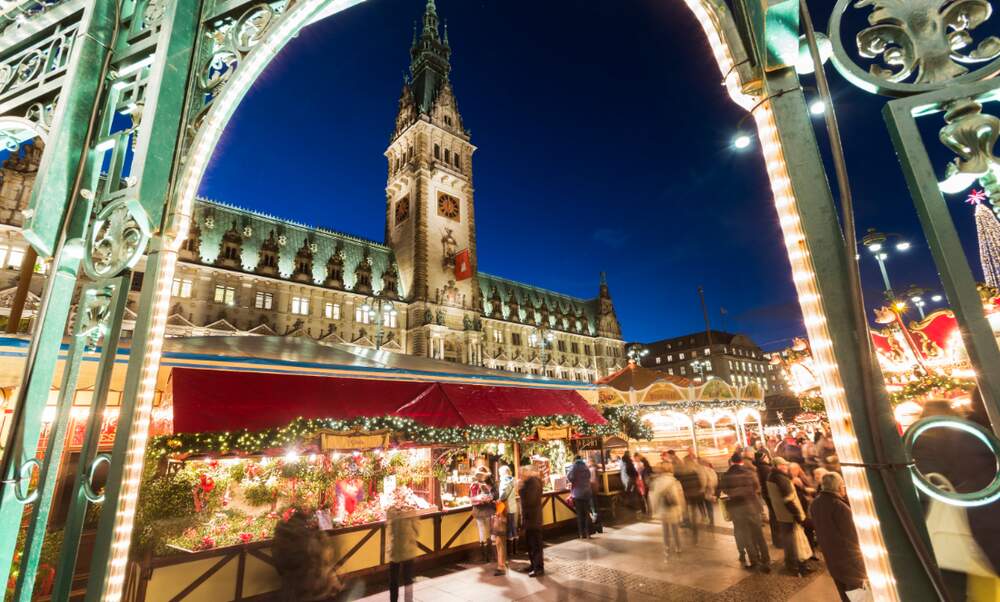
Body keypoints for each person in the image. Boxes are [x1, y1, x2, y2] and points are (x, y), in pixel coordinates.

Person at [810, 472, 867, 601]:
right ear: (839, 487)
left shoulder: (815, 503)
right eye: (843, 485)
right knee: (859, 597)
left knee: (844, 595)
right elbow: (853, 538)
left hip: (832, 560)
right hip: (850, 563)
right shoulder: (840, 507)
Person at [721, 452, 771, 573]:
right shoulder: (749, 472)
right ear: (741, 461)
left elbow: (724, 490)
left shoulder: (726, 475)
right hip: (752, 506)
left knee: (746, 535)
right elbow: (756, 487)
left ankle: (754, 561)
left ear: (732, 462)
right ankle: (766, 559)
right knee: (759, 535)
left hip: (738, 508)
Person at [766, 457, 812, 576]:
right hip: (788, 514)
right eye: (783, 465)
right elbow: (789, 500)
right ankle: (795, 566)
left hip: (781, 513)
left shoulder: (771, 476)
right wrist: (797, 515)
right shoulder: (781, 479)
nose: (785, 467)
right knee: (792, 541)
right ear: (776, 466)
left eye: (786, 465)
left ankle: (791, 564)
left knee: (788, 540)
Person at [648, 463, 685, 559]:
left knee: (665, 531)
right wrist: (682, 508)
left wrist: (654, 510)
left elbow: (653, 497)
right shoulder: (675, 482)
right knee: (675, 529)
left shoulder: (657, 482)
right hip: (673, 509)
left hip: (663, 509)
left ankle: (667, 548)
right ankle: (678, 547)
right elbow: (679, 497)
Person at [386, 503, 421, 602]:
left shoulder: (392, 514)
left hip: (394, 551)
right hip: (408, 551)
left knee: (393, 581)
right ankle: (408, 600)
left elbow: (389, 528)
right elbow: (417, 531)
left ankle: (393, 600)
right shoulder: (412, 514)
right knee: (408, 579)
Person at [519, 465, 545, 577]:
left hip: (533, 518)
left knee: (535, 544)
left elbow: (530, 500)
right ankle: (533, 564)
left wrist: (520, 489)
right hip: (531, 518)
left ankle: (538, 568)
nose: (521, 475)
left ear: (527, 473)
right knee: (530, 544)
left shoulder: (533, 483)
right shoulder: (530, 483)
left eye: (522, 473)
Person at [677, 453, 707, 542]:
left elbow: (680, 484)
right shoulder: (694, 472)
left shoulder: (682, 474)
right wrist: (702, 488)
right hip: (696, 494)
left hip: (687, 495)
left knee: (688, 511)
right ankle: (695, 530)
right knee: (694, 512)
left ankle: (691, 525)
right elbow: (700, 482)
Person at [754, 451, 781, 547]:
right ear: (762, 458)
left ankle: (777, 540)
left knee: (773, 516)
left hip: (767, 494)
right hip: (770, 495)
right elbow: (769, 483)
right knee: (775, 517)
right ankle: (778, 541)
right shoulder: (765, 468)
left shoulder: (760, 467)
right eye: (766, 456)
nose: (768, 458)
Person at [470, 466, 497, 563]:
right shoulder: (489, 484)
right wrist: (486, 499)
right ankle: (492, 556)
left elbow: (471, 498)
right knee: (491, 532)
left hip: (478, 510)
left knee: (482, 532)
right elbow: (494, 496)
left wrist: (480, 499)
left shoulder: (474, 485)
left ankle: (485, 557)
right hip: (488, 510)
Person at [496, 465, 518, 575]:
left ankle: (510, 552)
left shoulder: (505, 480)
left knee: (509, 528)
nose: (499, 475)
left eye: (500, 473)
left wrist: (499, 499)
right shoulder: (513, 479)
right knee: (513, 527)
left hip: (507, 507)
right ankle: (515, 549)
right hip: (513, 506)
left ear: (503, 473)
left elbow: (503, 494)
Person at [567, 455, 594, 539]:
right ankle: (588, 533)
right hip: (586, 493)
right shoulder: (586, 467)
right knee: (586, 514)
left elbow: (569, 477)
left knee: (580, 515)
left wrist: (574, 481)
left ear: (574, 460)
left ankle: (582, 534)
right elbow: (589, 476)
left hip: (577, 494)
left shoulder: (573, 467)